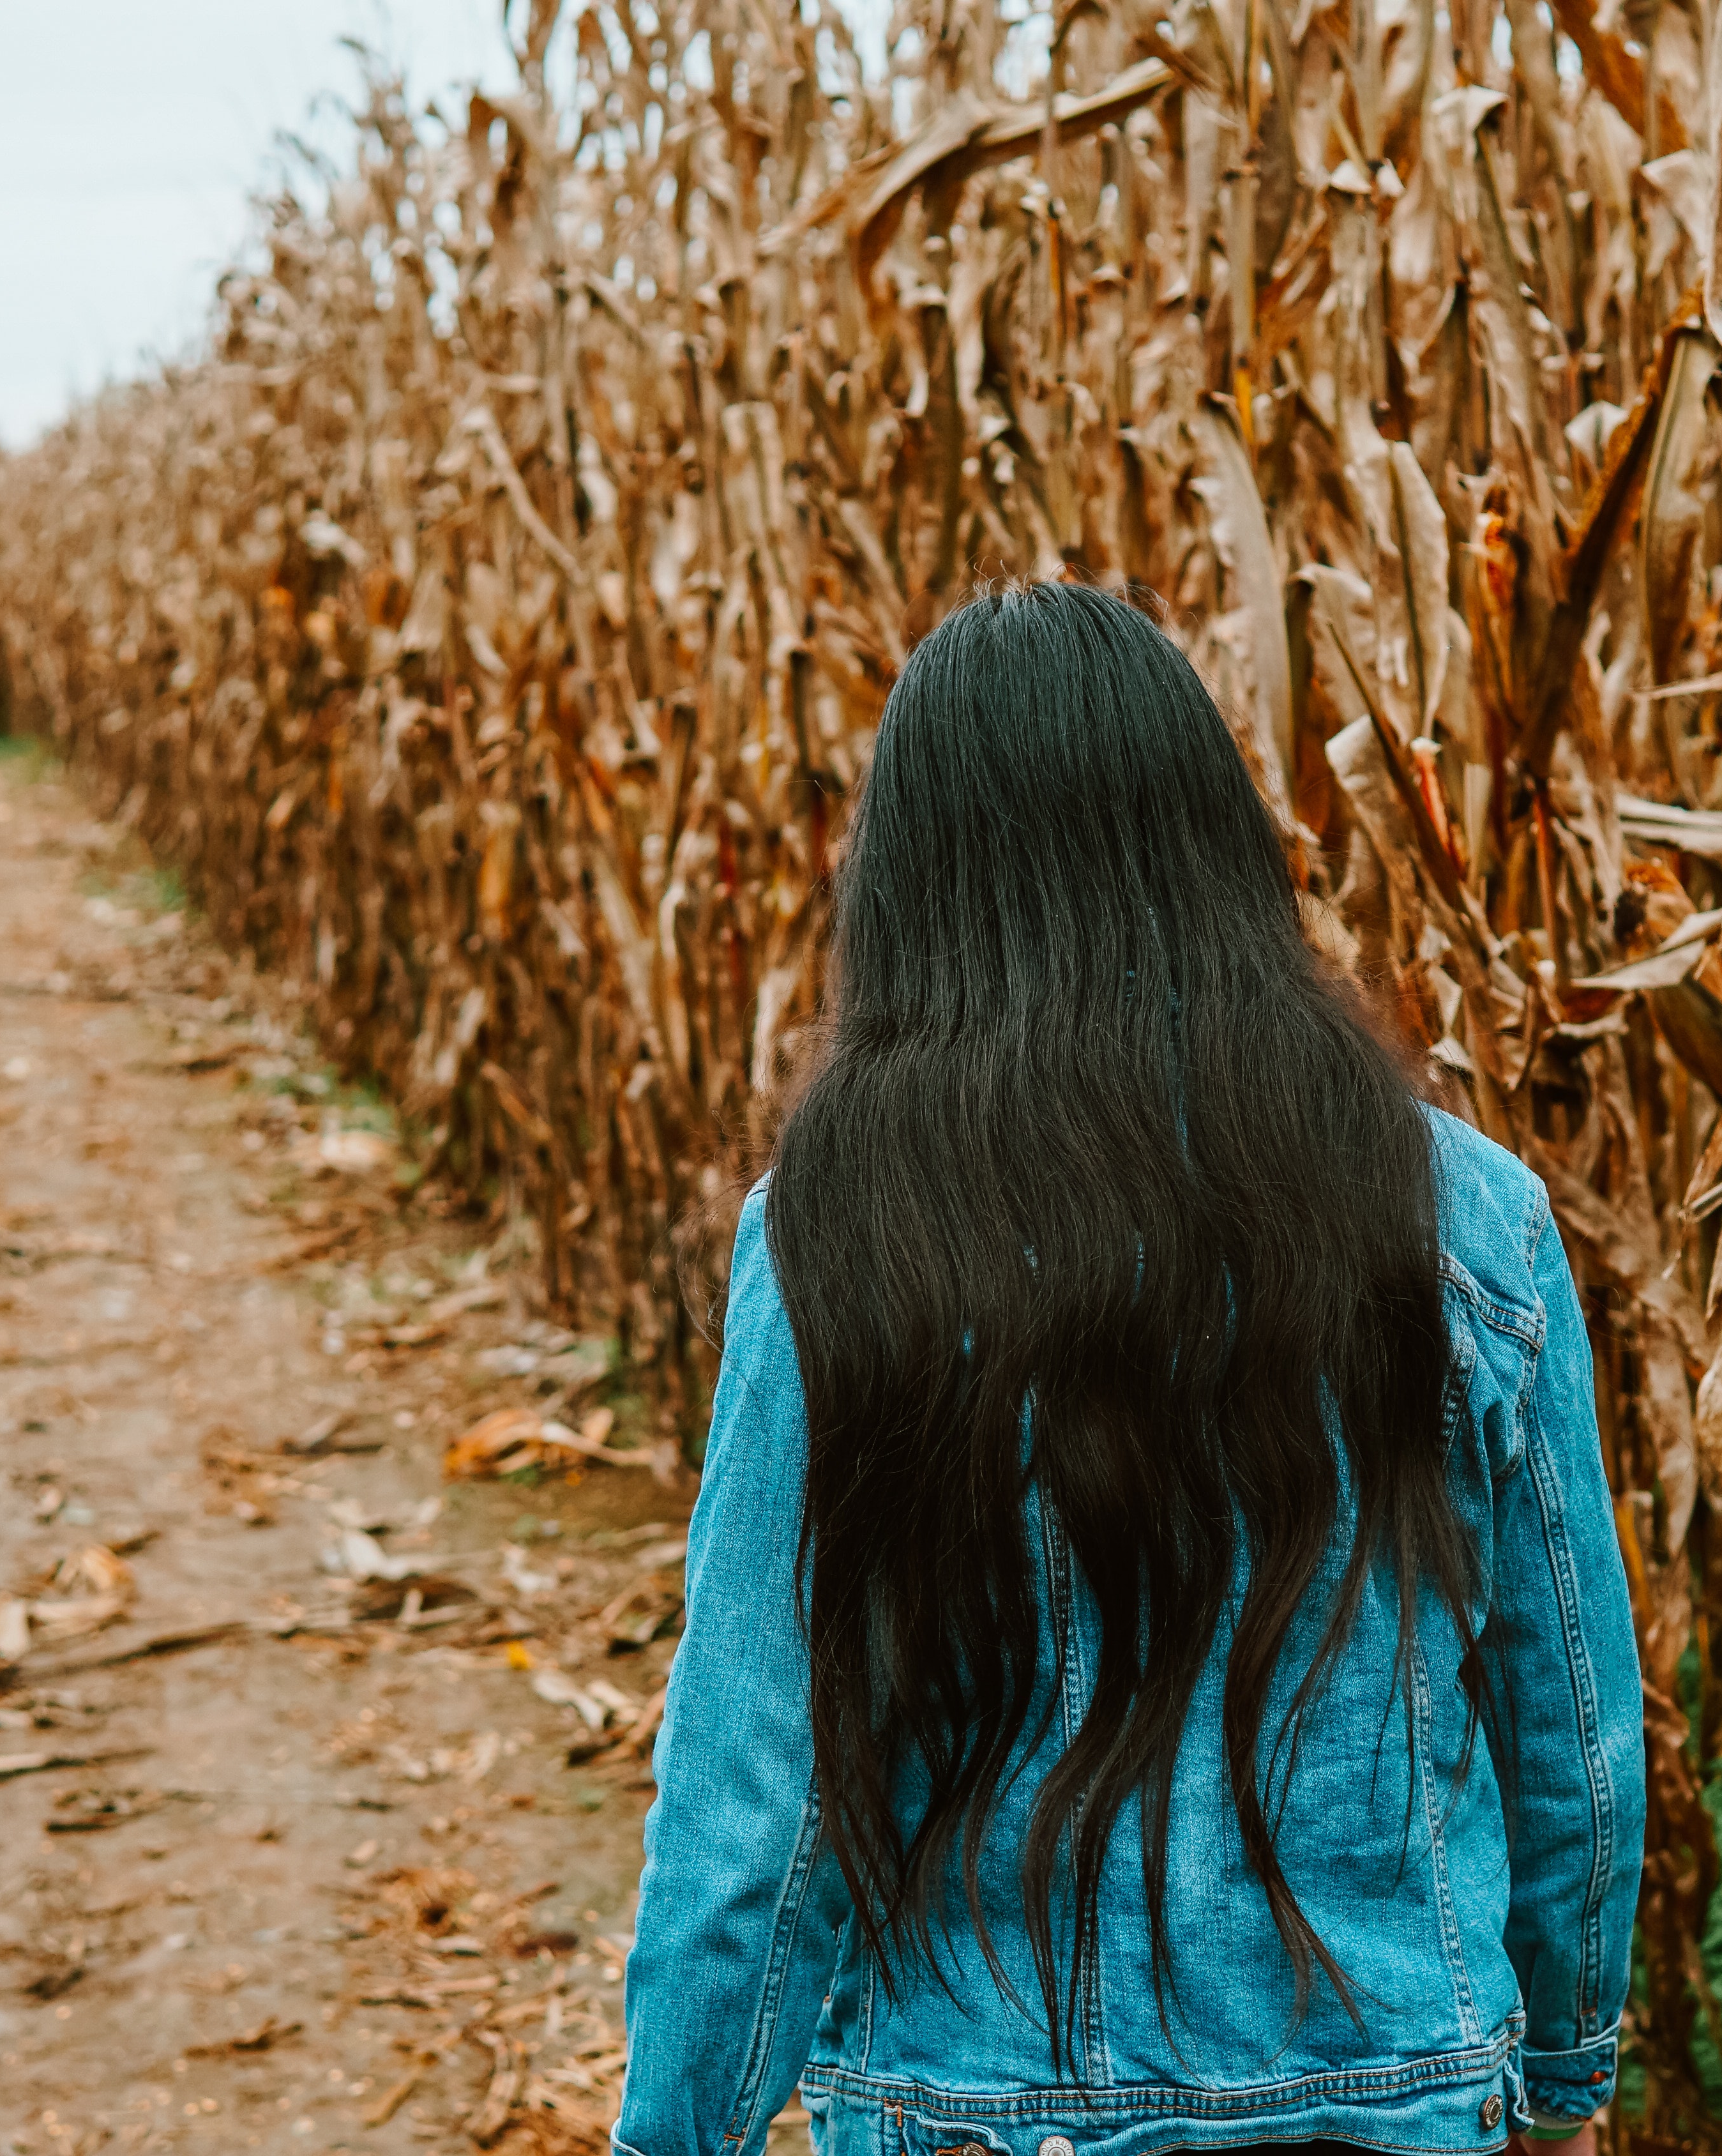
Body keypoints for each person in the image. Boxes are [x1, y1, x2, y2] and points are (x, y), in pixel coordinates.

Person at [614, 580, 1641, 2156]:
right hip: (1399, 2108)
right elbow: (1567, 1718)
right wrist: (1565, 2078)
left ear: (914, 888)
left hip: (976, 2117)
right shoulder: (1468, 1216)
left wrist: (673, 2134)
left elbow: (761, 1787)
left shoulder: (837, 1237)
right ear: (1217, 855)